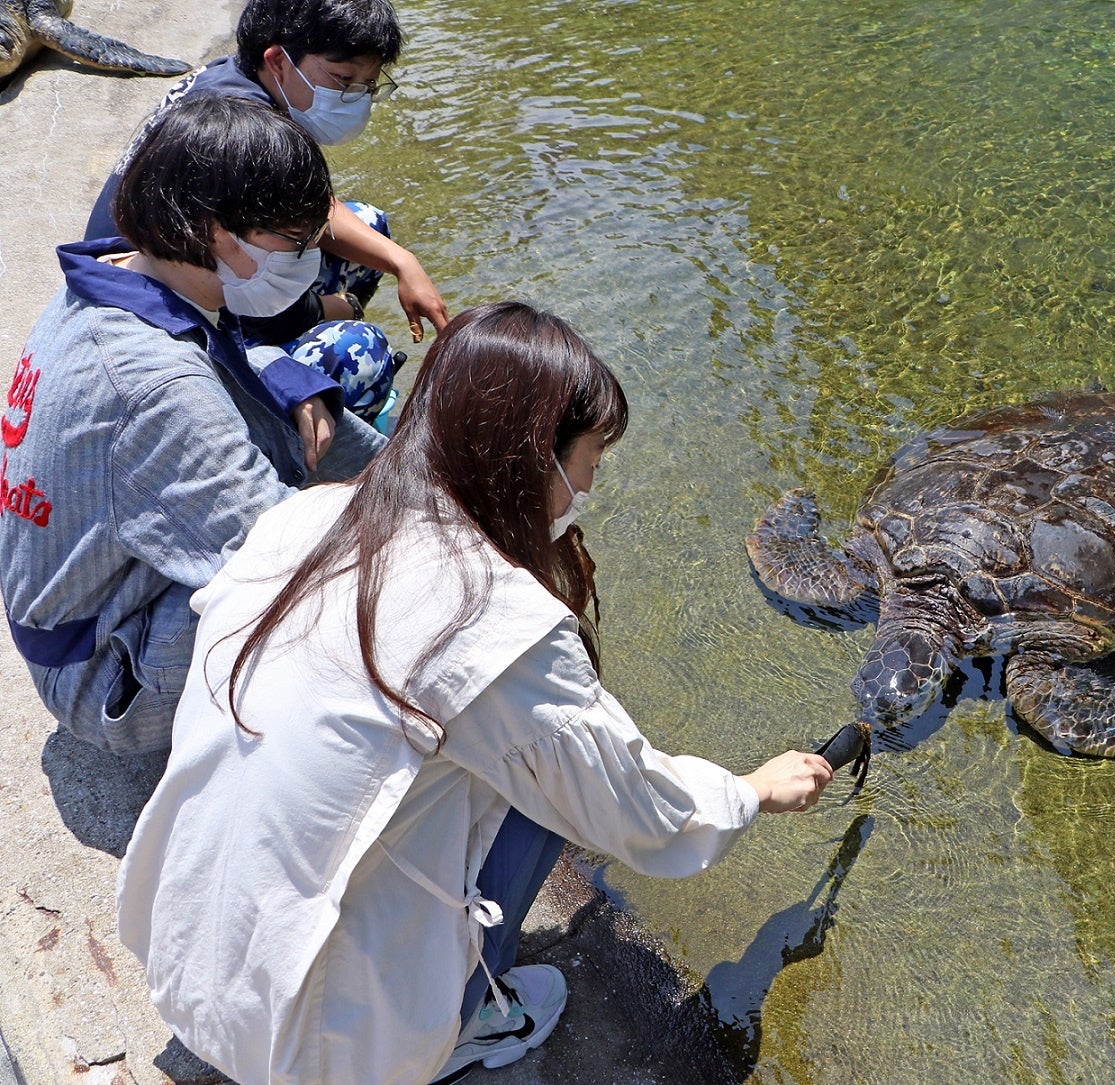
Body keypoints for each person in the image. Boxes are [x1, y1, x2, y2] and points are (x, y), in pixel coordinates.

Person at [116, 301, 836, 1085]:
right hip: (316, 1046)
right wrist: (751, 790)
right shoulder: (490, 619)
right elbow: (638, 811)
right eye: (593, 453)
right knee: (548, 783)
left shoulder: (308, 515)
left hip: (183, 949)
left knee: (507, 753)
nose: (592, 479)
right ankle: (462, 1018)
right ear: (535, 454)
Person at [0, 94, 384, 756]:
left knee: (298, 422)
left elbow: (230, 351)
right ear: (215, 233)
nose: (307, 259)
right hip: (103, 677)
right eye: (297, 244)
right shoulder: (156, 385)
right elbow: (290, 564)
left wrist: (303, 392)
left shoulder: (115, 270)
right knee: (320, 594)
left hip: (77, 603)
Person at [82, 0, 449, 422]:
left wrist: (402, 261)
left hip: (174, 272)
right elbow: (243, 284)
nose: (358, 98)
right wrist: (339, 307)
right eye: (344, 80)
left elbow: (303, 216)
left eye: (368, 85)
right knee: (358, 354)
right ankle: (309, 447)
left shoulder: (230, 80)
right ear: (278, 60)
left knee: (369, 228)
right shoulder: (243, 134)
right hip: (173, 308)